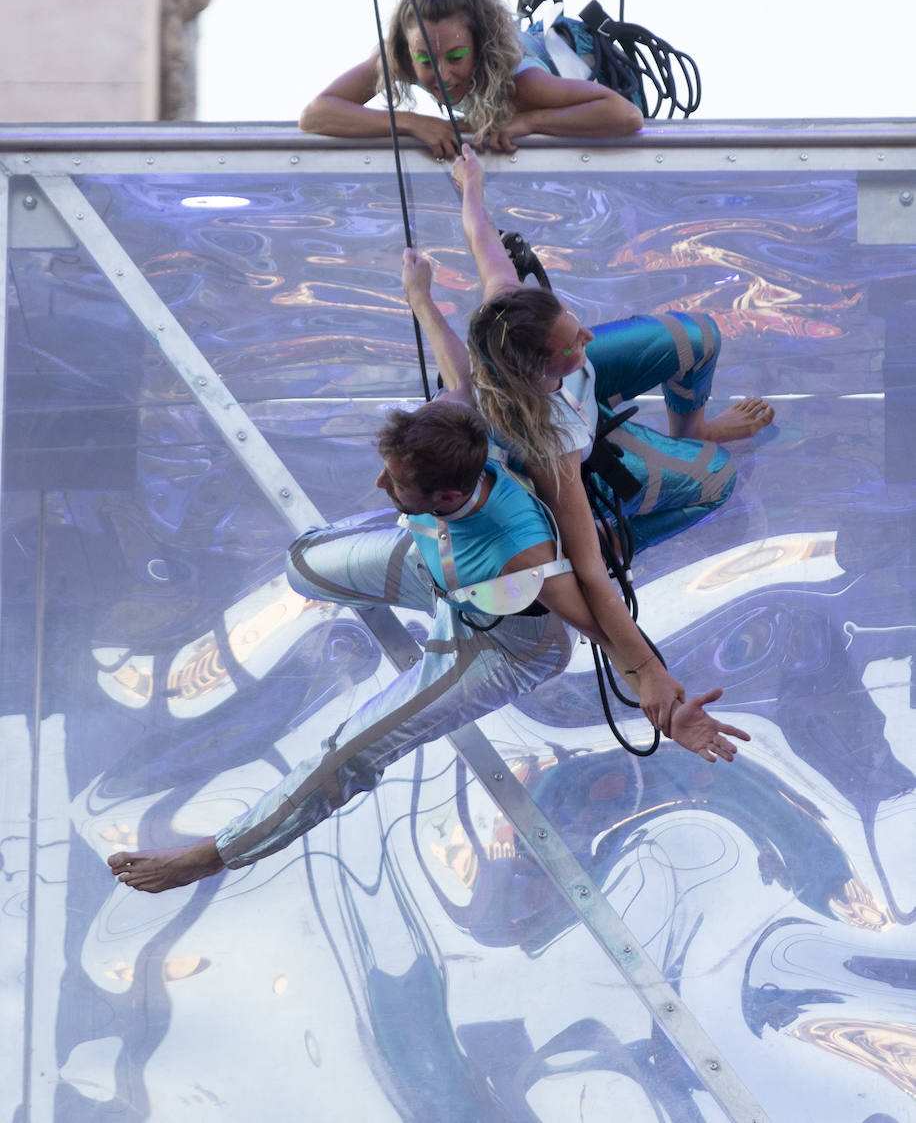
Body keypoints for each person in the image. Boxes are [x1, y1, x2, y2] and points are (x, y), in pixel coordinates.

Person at [108, 325, 749, 894]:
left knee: (349, 754)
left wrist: (660, 694)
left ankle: (213, 856)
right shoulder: (459, 424)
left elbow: (605, 622)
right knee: (299, 564)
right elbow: (459, 360)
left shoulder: (520, 556)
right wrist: (421, 292)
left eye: (397, 484)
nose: (381, 486)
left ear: (446, 493)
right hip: (435, 565)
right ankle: (377, 570)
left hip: (502, 639)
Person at [450, 143, 775, 658]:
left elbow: (483, 241)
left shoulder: (503, 316)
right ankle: (622, 537)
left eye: (577, 326)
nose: (590, 340)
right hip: (576, 452)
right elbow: (590, 577)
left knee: (696, 335)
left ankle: (692, 427)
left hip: (575, 393)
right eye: (573, 344)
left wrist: (471, 185)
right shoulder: (548, 445)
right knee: (718, 478)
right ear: (536, 368)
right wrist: (642, 666)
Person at [299, 0, 643, 158]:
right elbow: (316, 114)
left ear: (480, 48)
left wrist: (529, 122)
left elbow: (625, 115)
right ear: (408, 51)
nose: (442, 74)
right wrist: (411, 122)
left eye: (456, 57)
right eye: (426, 60)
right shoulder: (399, 57)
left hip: (575, 75)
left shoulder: (520, 84)